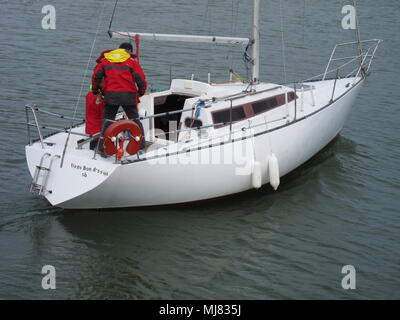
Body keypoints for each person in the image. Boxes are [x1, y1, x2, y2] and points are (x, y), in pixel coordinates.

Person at [91, 42, 147, 154]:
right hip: (129, 96)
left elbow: (96, 76)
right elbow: (140, 79)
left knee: (108, 121)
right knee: (134, 120)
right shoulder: (132, 62)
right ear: (129, 51)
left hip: (111, 95)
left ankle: (102, 147)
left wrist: (95, 90)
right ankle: (141, 145)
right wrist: (141, 92)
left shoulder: (105, 60)